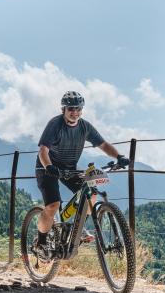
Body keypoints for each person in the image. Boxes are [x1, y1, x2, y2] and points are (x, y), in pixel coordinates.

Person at [34, 91, 131, 259]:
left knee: (91, 194)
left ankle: (78, 227)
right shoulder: (55, 124)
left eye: (78, 108)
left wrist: (119, 157)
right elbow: (43, 150)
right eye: (71, 108)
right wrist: (49, 166)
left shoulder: (85, 127)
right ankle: (41, 241)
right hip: (47, 168)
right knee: (53, 205)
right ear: (63, 109)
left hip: (70, 168)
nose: (75, 112)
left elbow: (103, 144)